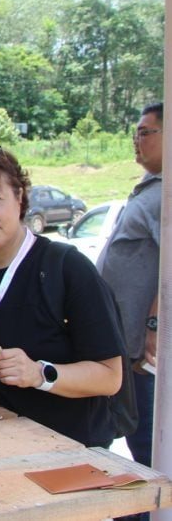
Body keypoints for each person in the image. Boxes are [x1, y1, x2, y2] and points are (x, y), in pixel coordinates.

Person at [0, 146, 123, 447]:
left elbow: (110, 377)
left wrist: (39, 373)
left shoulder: (67, 268)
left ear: (19, 198)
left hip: (69, 449)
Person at [97, 101, 162, 471]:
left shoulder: (166, 194)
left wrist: (154, 326)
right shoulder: (150, 189)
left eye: (146, 132)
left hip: (145, 353)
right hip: (124, 343)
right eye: (135, 132)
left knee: (150, 448)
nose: (137, 140)